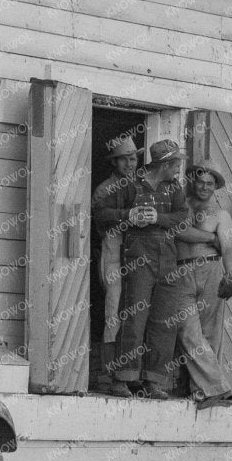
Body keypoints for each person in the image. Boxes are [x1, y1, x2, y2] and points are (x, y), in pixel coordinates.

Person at [142, 160, 232, 403]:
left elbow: (227, 247)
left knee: (210, 333)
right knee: (187, 331)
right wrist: (209, 236)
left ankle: (201, 391)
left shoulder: (221, 214)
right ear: (192, 181)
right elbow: (177, 231)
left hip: (212, 269)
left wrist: (230, 275)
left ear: (215, 186)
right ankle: (217, 387)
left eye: (209, 183)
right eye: (200, 181)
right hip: (181, 271)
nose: (204, 186)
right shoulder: (180, 206)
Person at [105, 139, 185, 396]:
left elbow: (183, 218)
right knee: (134, 318)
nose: (178, 169)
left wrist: (158, 218)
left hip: (168, 259)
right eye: (176, 164)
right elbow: (102, 213)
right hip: (138, 256)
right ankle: (121, 378)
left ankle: (153, 381)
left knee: (164, 321)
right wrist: (129, 216)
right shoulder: (130, 183)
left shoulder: (174, 187)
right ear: (165, 164)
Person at [88, 134, 143, 393]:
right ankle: (109, 376)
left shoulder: (143, 185)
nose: (129, 164)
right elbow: (101, 214)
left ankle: (131, 373)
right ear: (114, 163)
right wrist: (127, 215)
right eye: (123, 160)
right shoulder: (104, 188)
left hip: (138, 255)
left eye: (132, 158)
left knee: (136, 315)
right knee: (113, 315)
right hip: (112, 253)